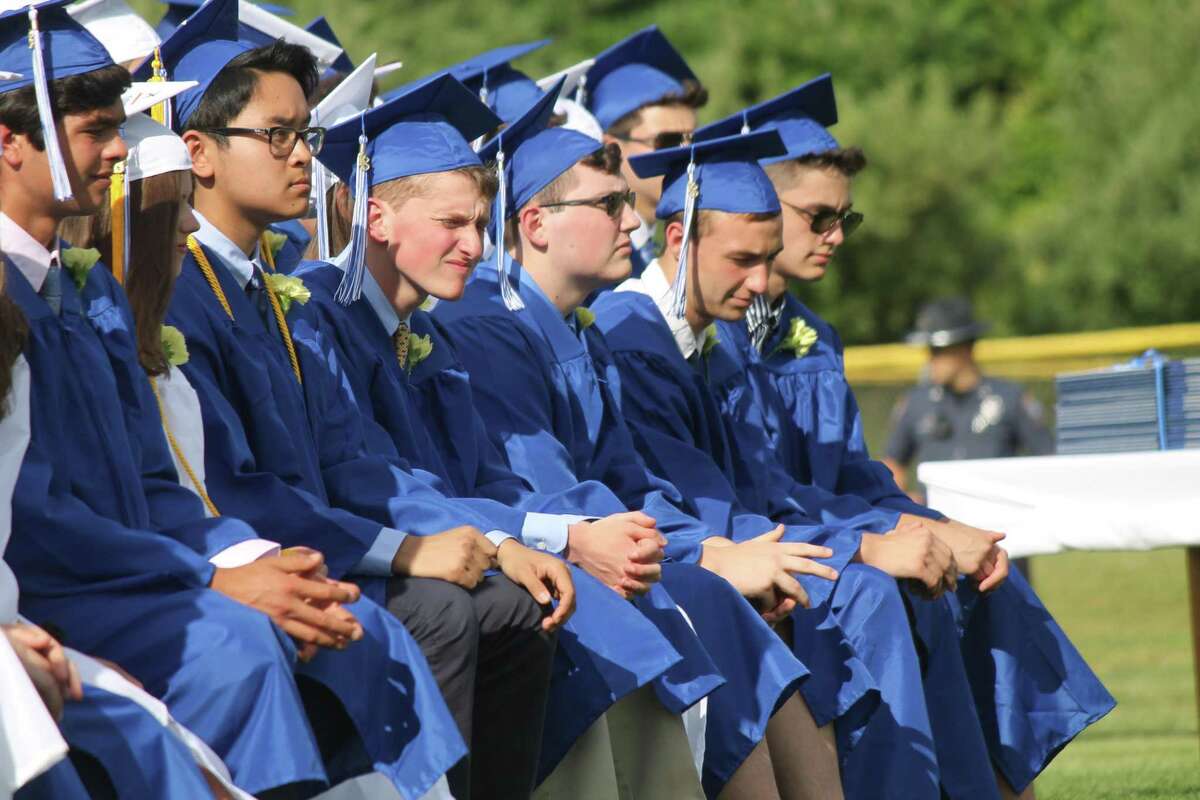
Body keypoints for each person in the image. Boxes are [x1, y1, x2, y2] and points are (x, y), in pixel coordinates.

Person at [147, 2, 568, 795]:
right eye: (280, 136)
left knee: (511, 605)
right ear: (197, 152)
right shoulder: (179, 295)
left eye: (306, 133)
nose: (305, 156)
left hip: (321, 541)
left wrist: (484, 535)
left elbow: (353, 462)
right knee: (441, 610)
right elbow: (236, 488)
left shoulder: (268, 294)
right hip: (254, 556)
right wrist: (404, 552)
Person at [434, 105, 885, 800]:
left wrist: (698, 548)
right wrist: (699, 555)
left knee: (744, 611)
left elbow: (632, 483)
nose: (633, 221)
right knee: (714, 601)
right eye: (611, 204)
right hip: (554, 558)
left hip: (620, 552)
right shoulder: (489, 329)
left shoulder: (578, 334)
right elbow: (545, 494)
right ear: (535, 224)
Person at [299, 80, 727, 796]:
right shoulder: (321, 319)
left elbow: (486, 477)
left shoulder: (425, 329)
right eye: (453, 223)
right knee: (559, 606)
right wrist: (542, 539)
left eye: (478, 222)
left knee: (596, 606)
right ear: (374, 218)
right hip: (373, 554)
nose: (474, 244)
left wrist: (559, 530)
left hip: (469, 546)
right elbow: (375, 484)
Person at [694, 79, 1115, 798]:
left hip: (825, 528)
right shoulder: (707, 342)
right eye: (818, 216)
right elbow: (760, 494)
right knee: (899, 590)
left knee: (988, 581)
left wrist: (932, 522)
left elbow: (851, 473)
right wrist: (879, 538)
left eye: (845, 221)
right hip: (778, 551)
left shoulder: (811, 337)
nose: (833, 236)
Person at [0, 5, 372, 797]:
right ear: (9, 141)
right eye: (96, 131)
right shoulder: (9, 298)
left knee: (325, 627)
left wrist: (244, 556)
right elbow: (36, 519)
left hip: (126, 575)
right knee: (232, 647)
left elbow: (153, 477)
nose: (116, 153)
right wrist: (203, 577)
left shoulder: (86, 284)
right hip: (59, 590)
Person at [589, 130, 1012, 799]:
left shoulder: (711, 345)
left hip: (741, 545)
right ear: (679, 240)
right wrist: (861, 548)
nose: (761, 284)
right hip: (680, 561)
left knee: (952, 581)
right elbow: (697, 512)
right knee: (863, 591)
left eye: (767, 261)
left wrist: (899, 531)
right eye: (742, 262)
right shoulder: (632, 339)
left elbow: (770, 489)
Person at [884, 296, 1054, 498]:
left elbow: (1049, 460)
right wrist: (901, 499)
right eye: (930, 351)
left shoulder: (1009, 398)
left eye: (939, 351)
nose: (931, 360)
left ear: (966, 348)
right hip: (936, 522)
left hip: (995, 520)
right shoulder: (916, 403)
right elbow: (892, 464)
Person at [584, 26, 708, 277]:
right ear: (611, 148)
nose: (687, 153)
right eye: (669, 140)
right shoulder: (595, 270)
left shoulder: (679, 257)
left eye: (693, 140)